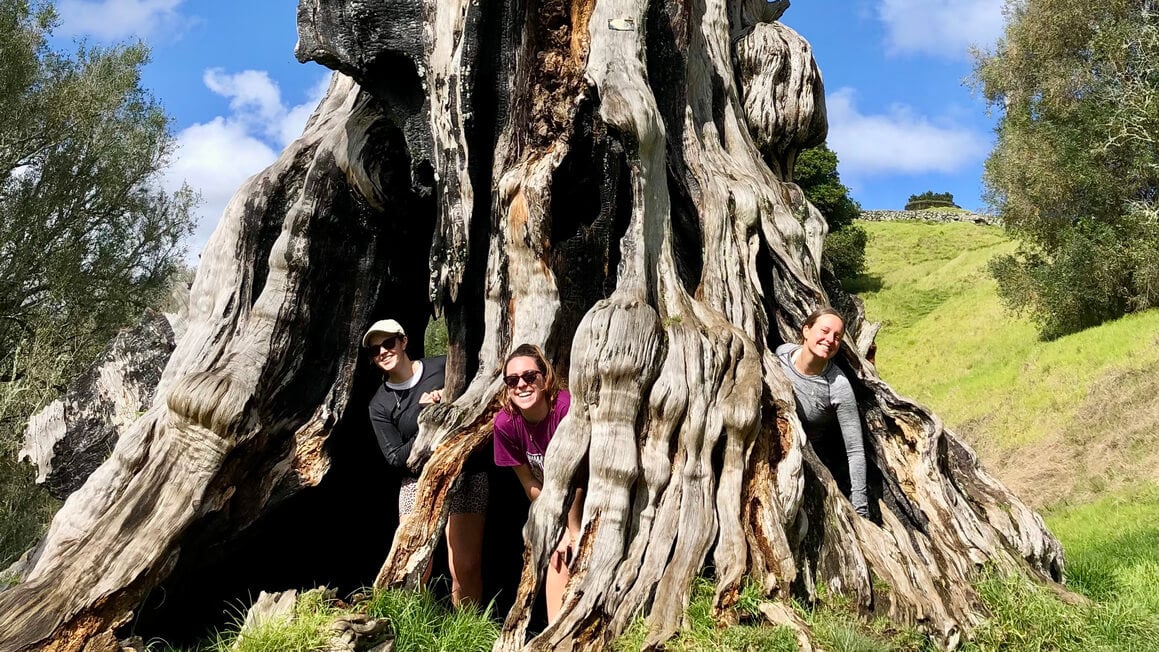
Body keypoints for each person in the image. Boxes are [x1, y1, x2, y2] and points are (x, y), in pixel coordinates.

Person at [364, 318, 487, 608]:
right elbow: (395, 458)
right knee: (413, 565)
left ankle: (468, 632)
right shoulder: (379, 404)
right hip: (417, 482)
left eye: (388, 343)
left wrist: (451, 398)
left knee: (464, 565)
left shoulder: (445, 366)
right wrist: (428, 422)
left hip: (465, 472)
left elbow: (481, 392)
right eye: (374, 350)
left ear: (403, 341)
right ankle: (410, 629)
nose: (383, 351)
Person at [492, 343, 584, 623]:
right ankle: (555, 631)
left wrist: (574, 529)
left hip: (591, 497)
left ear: (546, 377)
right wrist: (557, 525)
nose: (522, 384)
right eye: (513, 380)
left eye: (530, 376)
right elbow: (529, 481)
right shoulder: (506, 424)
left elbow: (579, 476)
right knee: (554, 551)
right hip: (552, 503)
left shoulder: (566, 409)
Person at [775, 308, 869, 517]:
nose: (830, 339)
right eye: (824, 331)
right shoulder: (781, 353)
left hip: (804, 468)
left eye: (837, 337)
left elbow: (854, 451)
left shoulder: (838, 386)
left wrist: (860, 508)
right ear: (806, 330)